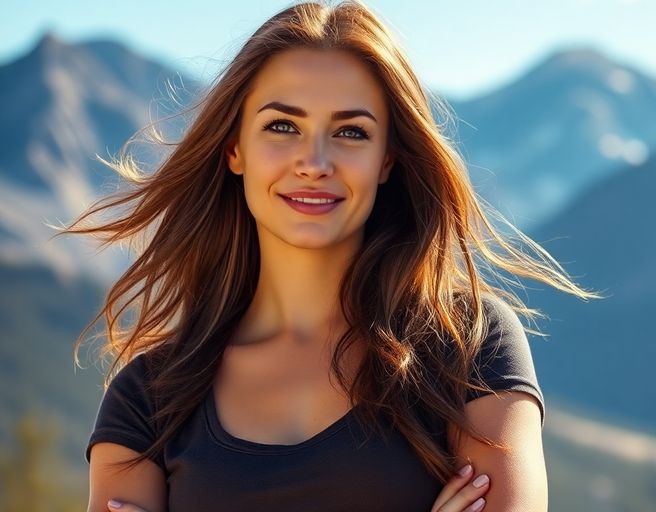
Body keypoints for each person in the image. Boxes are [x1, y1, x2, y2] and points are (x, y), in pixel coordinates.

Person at [60, 1, 601, 511]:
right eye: (282, 126)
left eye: (350, 132)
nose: (314, 161)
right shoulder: (148, 399)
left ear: (387, 159)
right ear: (235, 150)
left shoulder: (467, 345)